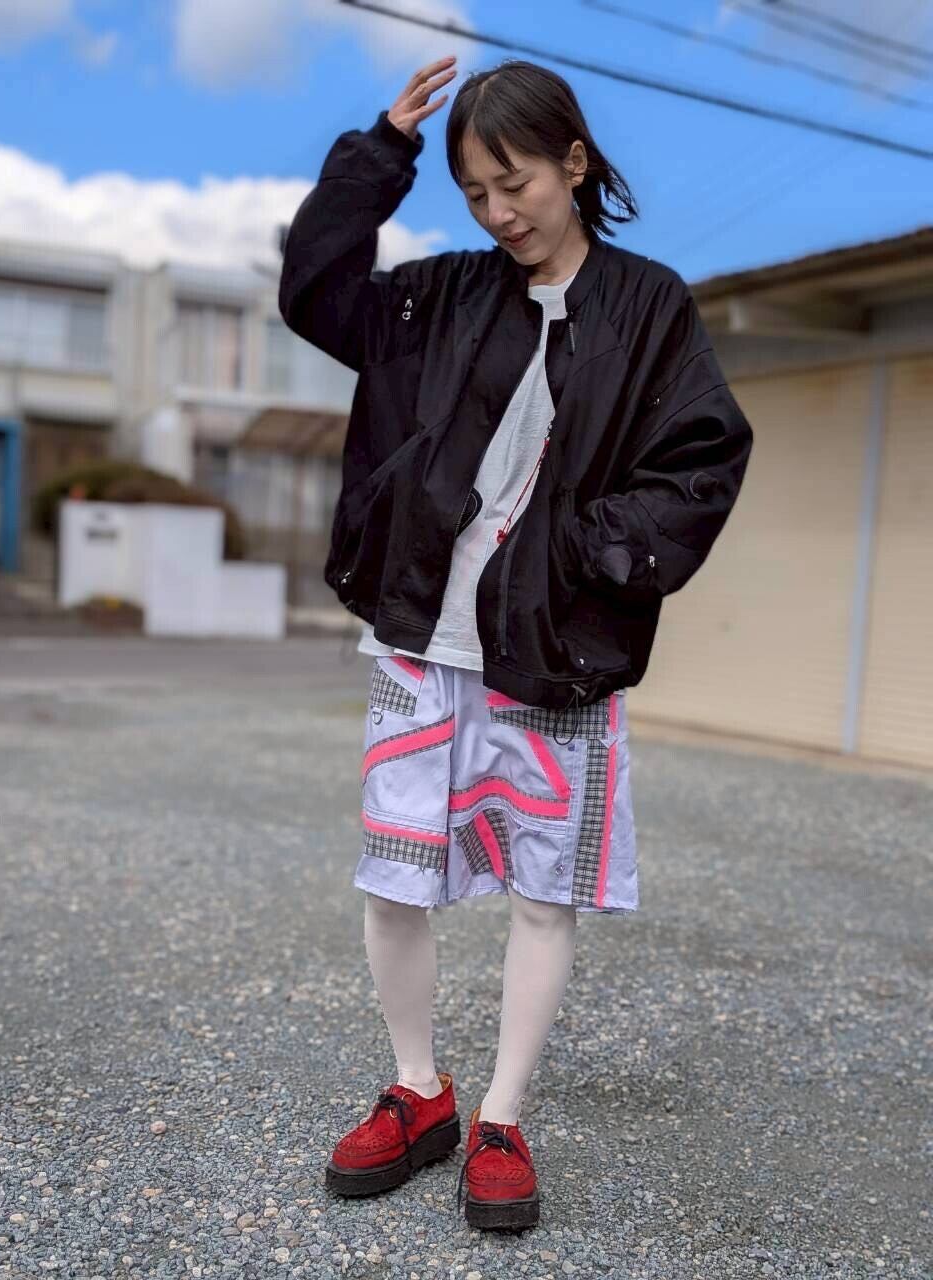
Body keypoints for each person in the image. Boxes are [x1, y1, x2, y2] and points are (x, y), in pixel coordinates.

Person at [279, 55, 752, 1233]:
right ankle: (418, 1088)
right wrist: (380, 153)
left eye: (517, 183)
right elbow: (313, 288)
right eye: (476, 192)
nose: (499, 212)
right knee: (395, 878)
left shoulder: (649, 306)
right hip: (421, 639)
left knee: (544, 891)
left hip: (555, 648)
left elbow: (702, 458)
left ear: (573, 163)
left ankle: (500, 1114)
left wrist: (581, 557)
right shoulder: (438, 298)